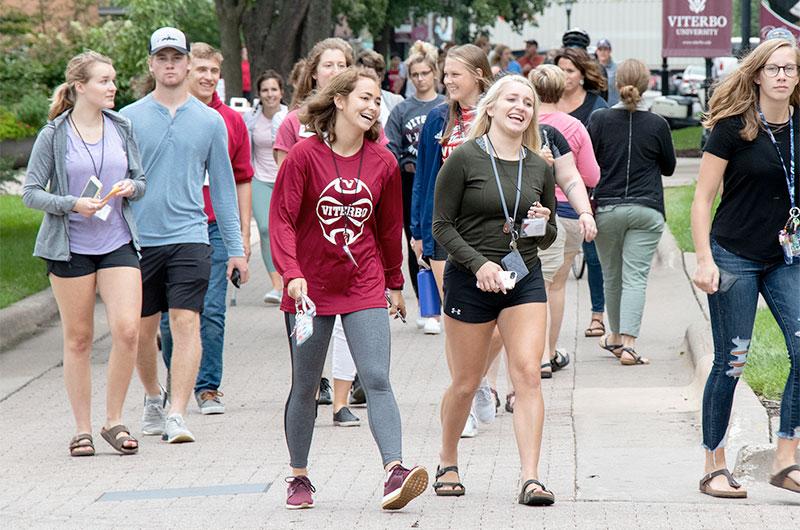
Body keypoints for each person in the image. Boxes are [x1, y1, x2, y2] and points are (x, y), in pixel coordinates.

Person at [269, 67, 429, 510]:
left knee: (376, 377)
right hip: (309, 288)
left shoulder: (383, 161)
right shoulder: (304, 156)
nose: (372, 106)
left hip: (363, 283)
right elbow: (281, 218)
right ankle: (298, 475)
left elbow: (388, 226)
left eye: (377, 100)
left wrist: (396, 282)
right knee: (305, 385)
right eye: (364, 98)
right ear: (339, 101)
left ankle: (394, 470)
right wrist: (290, 271)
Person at [431, 74, 557, 505]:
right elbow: (441, 226)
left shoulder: (540, 165)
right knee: (466, 383)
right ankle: (448, 460)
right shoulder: (464, 158)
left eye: (528, 101)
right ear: (491, 106)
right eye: (512, 99)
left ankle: (531, 478)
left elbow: (548, 235)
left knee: (527, 375)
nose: (520, 106)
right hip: (471, 279)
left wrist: (541, 221)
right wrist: (479, 264)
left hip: (524, 277)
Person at [121, 27, 248, 443]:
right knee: (144, 330)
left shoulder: (211, 121)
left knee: (186, 321)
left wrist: (236, 248)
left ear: (188, 64)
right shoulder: (128, 118)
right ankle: (153, 397)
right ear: (152, 64)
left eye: (178, 58)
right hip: (140, 239)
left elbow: (225, 190)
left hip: (191, 235)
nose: (171, 64)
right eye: (163, 58)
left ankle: (177, 412)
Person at [22, 51, 146, 456]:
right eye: (104, 81)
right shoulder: (54, 135)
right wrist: (71, 203)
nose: (113, 87)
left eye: (113, 80)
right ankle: (82, 429)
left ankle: (114, 420)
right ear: (80, 87)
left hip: (117, 242)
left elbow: (140, 179)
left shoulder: (122, 126)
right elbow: (31, 193)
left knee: (128, 330)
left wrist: (131, 187)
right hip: (70, 246)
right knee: (79, 339)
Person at [692, 38, 800, 498]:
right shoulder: (733, 128)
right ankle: (713, 464)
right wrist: (702, 258)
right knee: (731, 362)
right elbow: (701, 198)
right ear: (757, 75)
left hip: (785, 257)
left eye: (790, 69)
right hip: (733, 254)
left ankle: (786, 458)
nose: (782, 76)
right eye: (774, 68)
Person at [158, 42, 254, 415]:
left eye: (214, 71)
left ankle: (208, 386)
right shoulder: (167, 114)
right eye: (201, 69)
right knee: (170, 315)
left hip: (214, 227)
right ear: (184, 70)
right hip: (174, 228)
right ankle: (175, 384)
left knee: (212, 309)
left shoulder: (229, 120)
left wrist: (241, 237)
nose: (208, 77)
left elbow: (243, 179)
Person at [274, 37, 361, 422]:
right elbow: (282, 193)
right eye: (329, 64)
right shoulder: (295, 122)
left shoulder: (362, 118)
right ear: (313, 71)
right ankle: (309, 387)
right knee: (307, 317)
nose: (336, 71)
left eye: (343, 64)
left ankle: (342, 401)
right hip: (307, 237)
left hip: (349, 234)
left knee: (348, 317)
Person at [411, 43, 494, 435]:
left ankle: (476, 381)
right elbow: (424, 179)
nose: (447, 82)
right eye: (445, 75)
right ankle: (467, 401)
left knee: (494, 323)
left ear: (478, 75)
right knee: (456, 319)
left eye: (454, 75)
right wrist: (417, 231)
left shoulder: (496, 116)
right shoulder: (436, 120)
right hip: (445, 228)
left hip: (491, 231)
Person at [587, 59, 676, 366]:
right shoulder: (658, 124)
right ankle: (628, 344)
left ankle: (613, 335)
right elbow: (669, 167)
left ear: (615, 83)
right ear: (647, 84)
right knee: (635, 277)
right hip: (646, 208)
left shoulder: (598, 120)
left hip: (607, 207)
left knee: (612, 276)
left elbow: (588, 165)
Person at [529, 64, 599, 378]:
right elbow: (591, 176)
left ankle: (540, 352)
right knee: (555, 287)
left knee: (535, 285)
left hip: (532, 213)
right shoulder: (572, 126)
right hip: (567, 214)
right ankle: (549, 351)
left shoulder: (522, 124)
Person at [385, 41, 445, 334]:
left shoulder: (445, 106)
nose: (420, 78)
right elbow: (391, 148)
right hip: (410, 180)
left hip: (443, 179)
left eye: (425, 73)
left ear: (435, 73)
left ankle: (447, 300)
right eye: (415, 74)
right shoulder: (402, 109)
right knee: (416, 240)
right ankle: (427, 304)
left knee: (444, 239)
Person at [555, 46, 609, 338]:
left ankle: (597, 314)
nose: (565, 76)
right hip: (548, 195)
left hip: (587, 191)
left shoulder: (596, 106)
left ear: (582, 74)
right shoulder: (546, 104)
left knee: (593, 254)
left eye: (570, 71)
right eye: (560, 70)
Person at [245, 69, 288, 304]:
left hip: (284, 179)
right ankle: (277, 285)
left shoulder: (289, 117)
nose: (270, 94)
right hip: (260, 179)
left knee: (287, 230)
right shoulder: (251, 119)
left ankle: (292, 276)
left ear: (281, 92)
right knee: (264, 229)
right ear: (259, 94)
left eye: (274, 89)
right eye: (265, 90)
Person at [356, 49, 405, 126]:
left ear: (380, 77)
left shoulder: (396, 101)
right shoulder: (352, 100)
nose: (365, 81)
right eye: (361, 76)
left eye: (370, 77)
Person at [595, 39, 618, 106]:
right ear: (596, 51)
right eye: (600, 49)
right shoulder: (593, 70)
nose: (603, 52)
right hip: (597, 107)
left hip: (613, 107)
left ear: (610, 51)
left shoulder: (617, 69)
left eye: (605, 49)